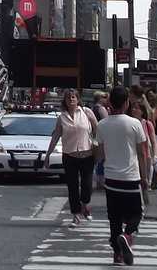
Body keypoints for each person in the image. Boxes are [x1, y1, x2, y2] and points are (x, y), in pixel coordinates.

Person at [94, 86, 148, 265]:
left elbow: (100, 153)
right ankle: (127, 236)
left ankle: (117, 254)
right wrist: (144, 177)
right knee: (137, 214)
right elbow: (141, 153)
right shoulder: (135, 124)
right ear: (126, 103)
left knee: (114, 217)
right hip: (131, 178)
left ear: (110, 102)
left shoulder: (102, 124)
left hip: (111, 179)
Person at [45, 88, 99, 227]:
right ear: (65, 101)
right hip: (70, 156)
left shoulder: (86, 112)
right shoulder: (62, 118)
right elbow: (56, 136)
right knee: (72, 187)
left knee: (87, 185)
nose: (72, 100)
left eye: (74, 97)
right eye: (69, 98)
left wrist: (99, 144)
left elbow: (97, 129)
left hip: (87, 154)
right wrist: (48, 155)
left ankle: (85, 205)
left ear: (78, 99)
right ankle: (75, 216)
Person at [130, 97, 157, 192]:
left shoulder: (147, 124)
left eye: (137, 108)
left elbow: (154, 141)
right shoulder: (129, 123)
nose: (134, 110)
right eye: (133, 108)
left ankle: (144, 201)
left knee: (144, 183)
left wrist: (155, 156)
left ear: (142, 111)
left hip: (146, 157)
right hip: (132, 158)